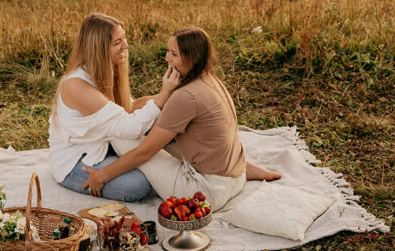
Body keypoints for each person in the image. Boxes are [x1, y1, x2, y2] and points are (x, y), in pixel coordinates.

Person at [82, 26, 280, 212]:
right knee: (152, 125)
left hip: (204, 193)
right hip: (235, 178)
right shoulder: (209, 80)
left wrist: (102, 175)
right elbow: (152, 104)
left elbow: (144, 153)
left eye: (174, 54)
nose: (167, 58)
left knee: (119, 135)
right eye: (168, 51)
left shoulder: (185, 97)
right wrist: (151, 97)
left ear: (192, 58)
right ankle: (248, 169)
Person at [49, 12, 181, 202]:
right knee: (138, 184)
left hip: (105, 146)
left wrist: (171, 95)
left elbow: (129, 108)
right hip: (77, 161)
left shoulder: (104, 70)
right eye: (117, 42)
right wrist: (163, 96)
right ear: (99, 48)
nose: (125, 46)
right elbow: (131, 126)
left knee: (154, 137)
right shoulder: (77, 86)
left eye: (124, 39)